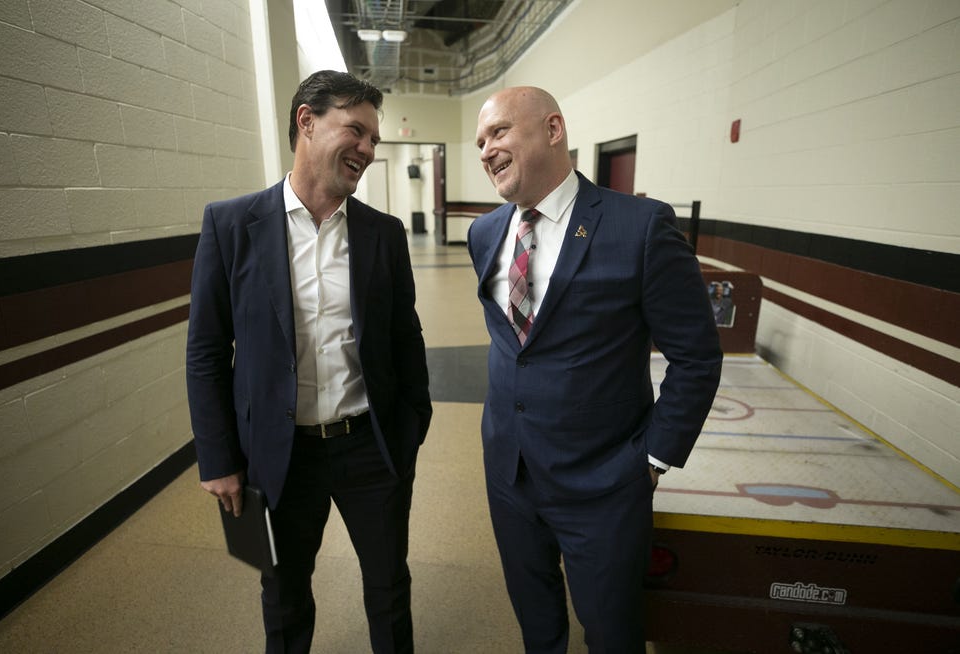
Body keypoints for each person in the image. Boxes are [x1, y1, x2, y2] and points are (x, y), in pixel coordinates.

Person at [467, 86, 722, 653]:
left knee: (611, 633)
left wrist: (652, 459)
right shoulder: (485, 234)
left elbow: (697, 357)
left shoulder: (641, 228)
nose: (486, 150)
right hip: (509, 472)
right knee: (536, 623)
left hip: (604, 483)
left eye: (500, 132)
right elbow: (516, 346)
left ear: (553, 129)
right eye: (480, 140)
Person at [186, 70, 432, 654]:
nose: (369, 150)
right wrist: (219, 458)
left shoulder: (383, 234)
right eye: (357, 131)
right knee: (284, 590)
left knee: (389, 587)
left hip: (369, 446)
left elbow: (406, 338)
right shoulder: (231, 226)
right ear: (306, 121)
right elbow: (205, 351)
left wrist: (409, 430)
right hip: (279, 453)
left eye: (374, 139)